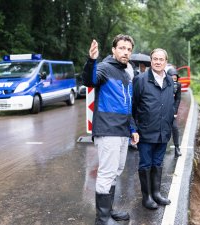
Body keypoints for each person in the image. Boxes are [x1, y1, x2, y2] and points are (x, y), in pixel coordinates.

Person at [82, 34, 139, 225]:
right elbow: (89, 80)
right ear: (114, 50)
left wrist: (133, 128)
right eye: (122, 48)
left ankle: (109, 211)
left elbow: (127, 105)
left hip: (123, 131)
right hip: (108, 130)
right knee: (107, 173)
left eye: (129, 49)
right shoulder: (105, 68)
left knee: (116, 171)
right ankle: (102, 218)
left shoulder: (126, 73)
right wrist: (91, 60)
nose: (126, 52)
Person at [132, 48, 174, 210]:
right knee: (145, 164)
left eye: (161, 59)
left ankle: (156, 193)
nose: (158, 62)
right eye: (155, 59)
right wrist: (134, 128)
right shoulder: (140, 80)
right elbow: (133, 107)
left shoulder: (170, 81)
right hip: (146, 132)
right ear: (151, 61)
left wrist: (170, 121)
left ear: (165, 62)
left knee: (158, 163)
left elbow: (171, 103)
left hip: (163, 132)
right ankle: (147, 196)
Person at [167, 67, 182, 157]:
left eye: (175, 78)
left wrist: (175, 111)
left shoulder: (178, 85)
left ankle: (177, 148)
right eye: (172, 78)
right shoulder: (164, 84)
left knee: (175, 128)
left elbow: (178, 98)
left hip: (172, 110)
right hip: (162, 110)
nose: (174, 80)